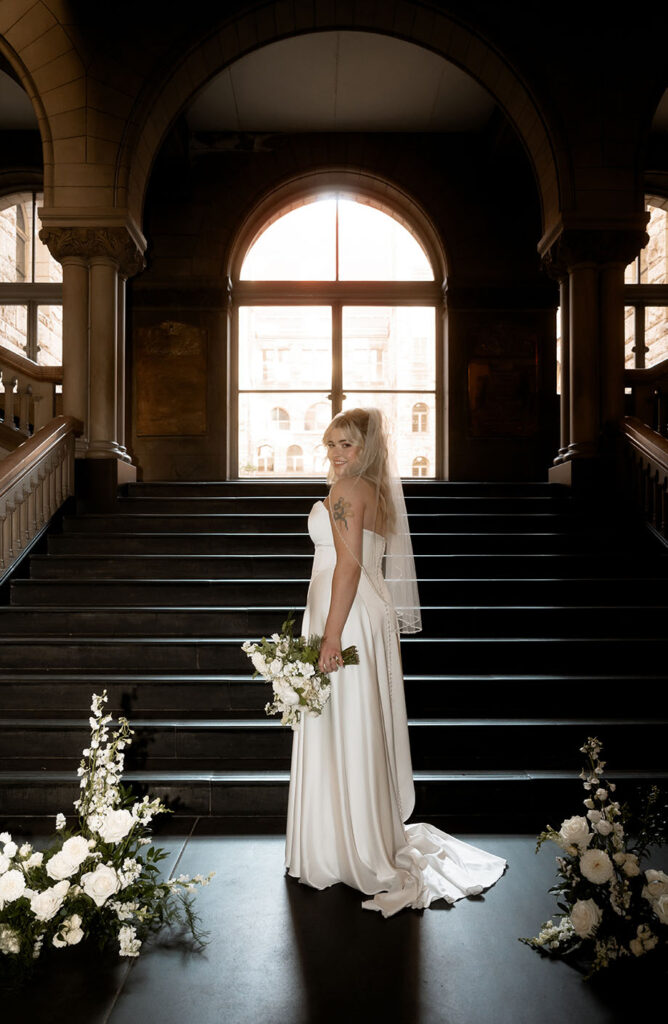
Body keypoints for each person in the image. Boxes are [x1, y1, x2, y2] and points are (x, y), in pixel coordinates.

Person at [285, 407, 506, 916]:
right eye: (332, 444)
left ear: (368, 448)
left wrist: (331, 636)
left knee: (344, 722)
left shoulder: (345, 493)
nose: (338, 454)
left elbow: (344, 567)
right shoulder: (379, 493)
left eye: (348, 444)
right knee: (358, 724)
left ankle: (343, 847)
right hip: (370, 611)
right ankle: (361, 833)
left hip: (345, 613)